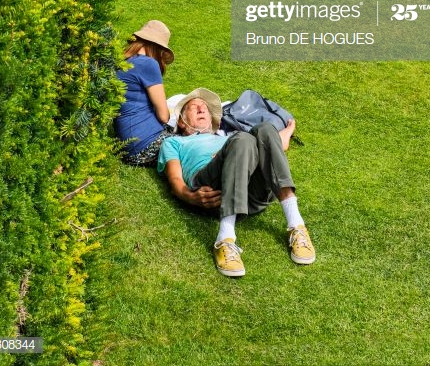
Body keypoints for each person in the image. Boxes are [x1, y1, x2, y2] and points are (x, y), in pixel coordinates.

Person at [158, 90, 315, 278]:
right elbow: (175, 179)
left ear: (211, 118)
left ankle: (296, 225)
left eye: (204, 108)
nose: (201, 108)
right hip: (212, 190)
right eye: (193, 107)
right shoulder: (174, 142)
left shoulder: (227, 136)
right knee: (242, 139)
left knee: (264, 129)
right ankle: (225, 238)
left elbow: (274, 145)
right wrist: (189, 196)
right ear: (182, 122)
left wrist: (288, 131)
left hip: (251, 195)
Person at [114, 20, 175, 166]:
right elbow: (164, 116)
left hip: (127, 145)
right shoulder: (148, 64)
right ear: (157, 47)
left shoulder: (122, 61)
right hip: (146, 144)